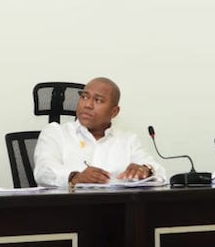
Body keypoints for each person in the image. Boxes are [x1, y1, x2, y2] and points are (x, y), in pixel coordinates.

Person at [33, 77, 163, 188]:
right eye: (84, 97)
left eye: (98, 100)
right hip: (67, 210)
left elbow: (160, 174)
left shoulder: (128, 140)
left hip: (116, 210)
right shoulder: (56, 132)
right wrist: (75, 177)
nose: (87, 105)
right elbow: (44, 171)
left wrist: (147, 169)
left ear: (114, 112)